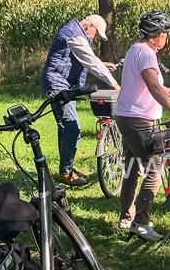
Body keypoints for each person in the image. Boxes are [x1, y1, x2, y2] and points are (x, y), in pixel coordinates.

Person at [114, 10, 170, 241]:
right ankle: (141, 222)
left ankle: (126, 216)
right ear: (156, 34)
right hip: (139, 119)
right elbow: (152, 87)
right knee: (154, 167)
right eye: (166, 34)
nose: (167, 38)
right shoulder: (147, 54)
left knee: (132, 167)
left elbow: (150, 85)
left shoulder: (136, 49)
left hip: (126, 116)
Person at [41, 15, 120, 186]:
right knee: (72, 126)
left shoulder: (77, 33)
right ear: (89, 26)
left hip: (66, 85)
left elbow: (84, 56)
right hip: (59, 85)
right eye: (96, 33)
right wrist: (114, 83)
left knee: (66, 128)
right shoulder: (74, 34)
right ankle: (65, 172)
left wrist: (101, 63)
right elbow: (89, 60)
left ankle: (67, 169)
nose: (95, 37)